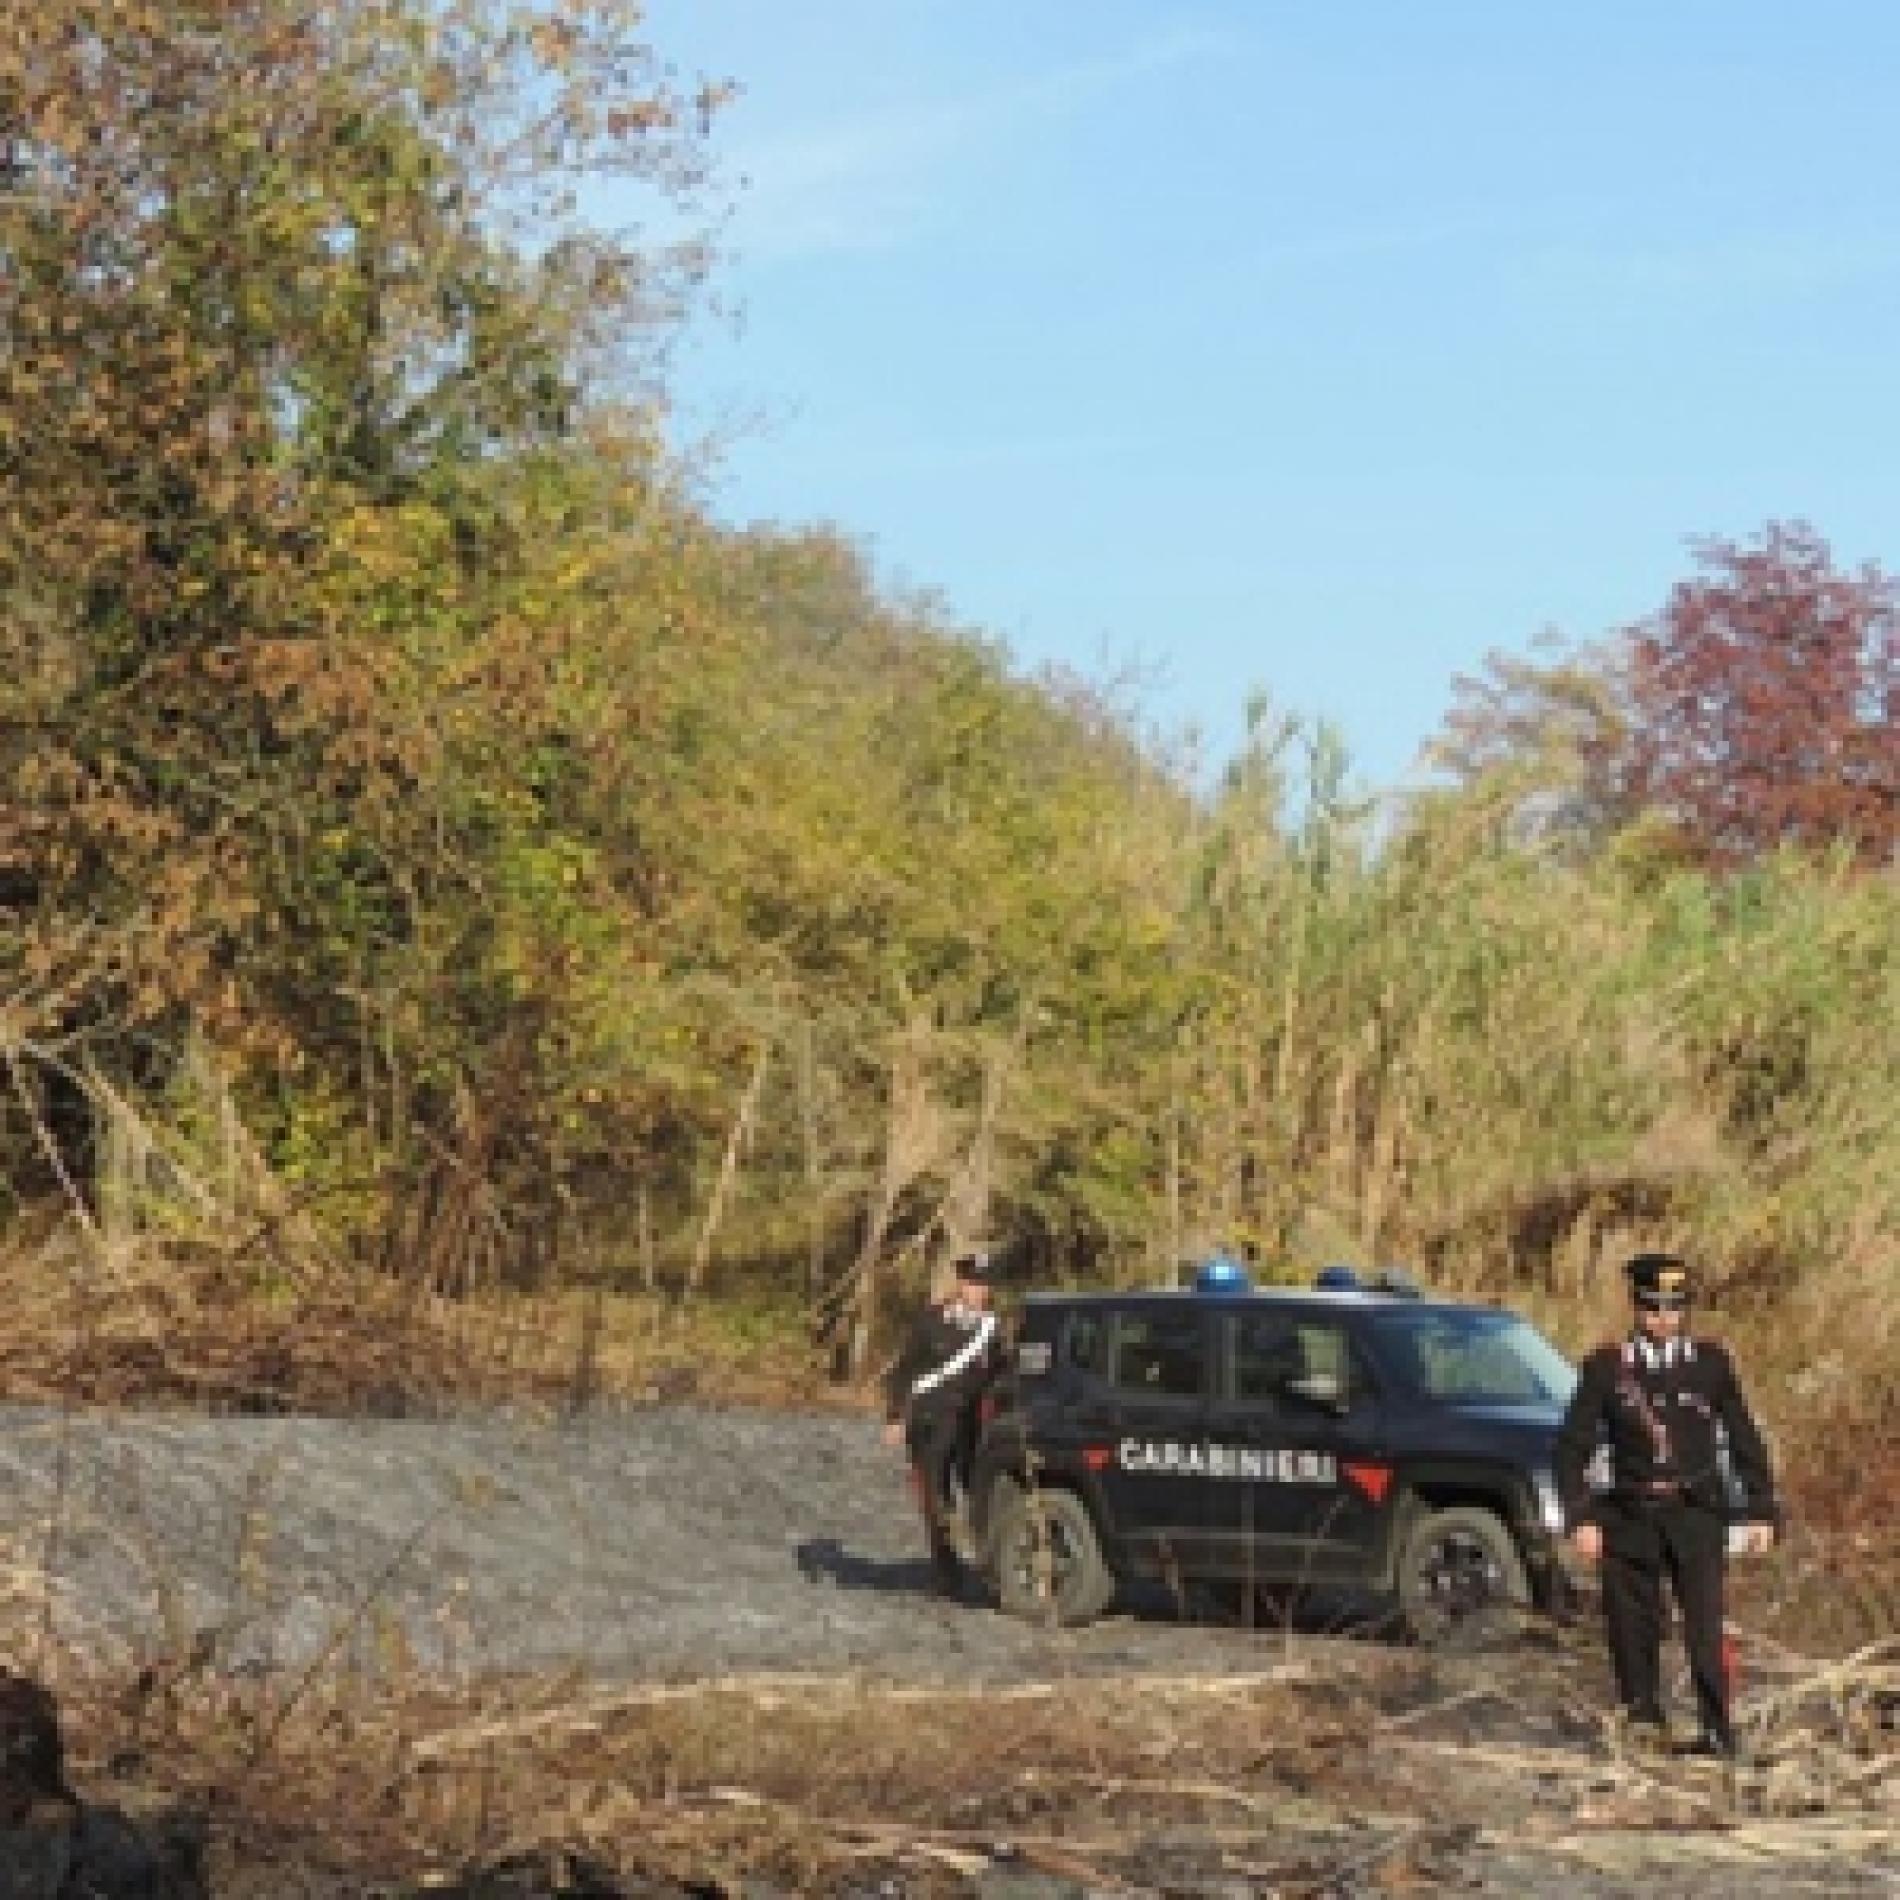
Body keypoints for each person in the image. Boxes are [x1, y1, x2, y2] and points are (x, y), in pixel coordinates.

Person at [1554, 1251, 1780, 1759]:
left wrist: (1761, 1508)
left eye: (1674, 1308)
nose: (1664, 1319)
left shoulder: (1710, 1365)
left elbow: (1744, 1438)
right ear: (1637, 1308)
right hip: (1631, 1515)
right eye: (1654, 1309)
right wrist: (1581, 1517)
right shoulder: (1607, 1369)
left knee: (1705, 1627)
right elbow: (1572, 1448)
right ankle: (1644, 1728)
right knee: (1631, 1632)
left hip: (1695, 1515)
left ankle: (1718, 1731)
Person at [881, 1249, 1005, 1597]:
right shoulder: (932, 1321)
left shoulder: (994, 1330)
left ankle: (990, 1564)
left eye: (983, 1285)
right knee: (934, 1495)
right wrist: (895, 1415)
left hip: (971, 1423)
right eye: (972, 1283)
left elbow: (999, 1375)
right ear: (961, 1283)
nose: (977, 1290)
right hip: (930, 1418)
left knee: (979, 1491)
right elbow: (905, 1370)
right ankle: (945, 1569)